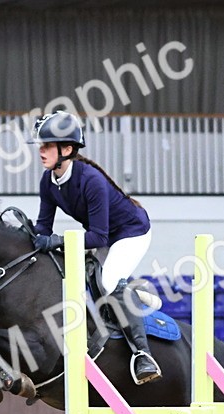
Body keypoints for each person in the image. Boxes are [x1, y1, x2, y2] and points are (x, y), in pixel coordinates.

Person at [29, 111, 161, 385]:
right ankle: (133, 290)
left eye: (47, 145)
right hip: (105, 235)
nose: (40, 151)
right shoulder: (48, 181)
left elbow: (98, 238)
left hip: (131, 232)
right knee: (89, 279)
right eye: (40, 145)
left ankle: (143, 355)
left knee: (108, 281)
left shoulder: (91, 180)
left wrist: (58, 241)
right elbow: (43, 227)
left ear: (67, 149)